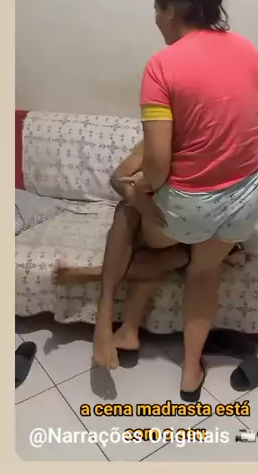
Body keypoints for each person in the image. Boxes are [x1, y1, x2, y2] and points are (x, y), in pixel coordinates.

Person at [115, 0, 258, 401]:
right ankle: (190, 373)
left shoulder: (161, 65)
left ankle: (129, 329)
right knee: (205, 271)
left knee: (145, 227)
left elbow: (157, 165)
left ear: (168, 9)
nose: (155, 19)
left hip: (189, 209)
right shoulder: (248, 50)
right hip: (248, 195)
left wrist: (138, 190)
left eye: (156, 8)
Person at [55, 140, 246, 368]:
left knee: (180, 257)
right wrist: (137, 197)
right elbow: (118, 177)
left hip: (191, 236)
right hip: (153, 224)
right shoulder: (163, 137)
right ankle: (105, 319)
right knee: (128, 210)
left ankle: (99, 284)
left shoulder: (226, 146)